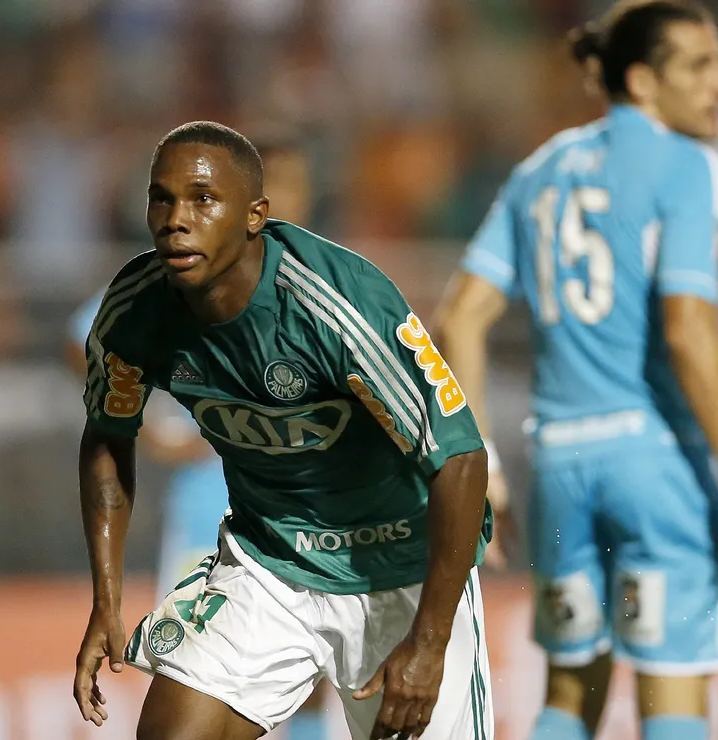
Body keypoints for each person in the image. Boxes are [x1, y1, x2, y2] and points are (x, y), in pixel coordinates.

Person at [71, 121, 494, 740]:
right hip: (272, 562)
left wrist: (429, 643)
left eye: (202, 199)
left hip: (399, 566)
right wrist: (106, 599)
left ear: (255, 215)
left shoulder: (338, 303)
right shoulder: (136, 309)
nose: (175, 219)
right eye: (161, 198)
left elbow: (460, 459)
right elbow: (108, 435)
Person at [432, 3, 718, 739]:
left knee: (569, 699)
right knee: (673, 701)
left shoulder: (539, 171)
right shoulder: (688, 166)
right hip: (657, 462)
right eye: (701, 65)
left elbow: (459, 315)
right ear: (644, 81)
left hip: (558, 464)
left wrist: (484, 465)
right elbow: (688, 327)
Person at [65, 133, 333, 740]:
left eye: (299, 187)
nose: (293, 199)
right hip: (209, 509)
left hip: (309, 516)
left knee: (310, 686)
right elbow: (84, 335)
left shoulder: (319, 283)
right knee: (204, 683)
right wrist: (158, 427)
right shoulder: (181, 279)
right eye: (281, 185)